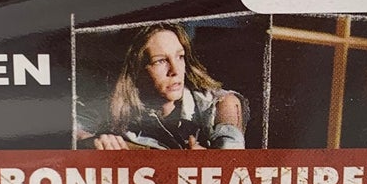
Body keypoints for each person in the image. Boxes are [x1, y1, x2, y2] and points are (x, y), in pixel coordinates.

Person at [83, 23, 248, 150]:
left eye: (180, 57)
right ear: (134, 70)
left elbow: (232, 156)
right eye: (160, 61)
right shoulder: (112, 105)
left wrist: (209, 162)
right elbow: (74, 129)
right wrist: (88, 141)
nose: (175, 70)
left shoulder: (220, 104)